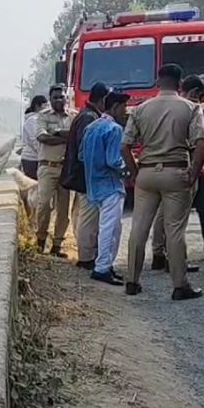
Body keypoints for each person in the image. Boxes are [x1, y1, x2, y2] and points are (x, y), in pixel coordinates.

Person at [122, 64, 204, 300]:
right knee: (174, 230)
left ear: (158, 82)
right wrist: (192, 173)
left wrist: (134, 172)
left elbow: (125, 145)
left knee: (139, 227)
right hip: (176, 172)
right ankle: (180, 285)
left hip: (147, 174)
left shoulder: (141, 109)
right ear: (180, 84)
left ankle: (132, 280)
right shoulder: (191, 108)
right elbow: (201, 144)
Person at [151, 75, 204, 270]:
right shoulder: (191, 109)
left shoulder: (162, 107)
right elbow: (199, 142)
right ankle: (178, 258)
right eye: (200, 96)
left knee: (165, 213)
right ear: (194, 93)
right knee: (181, 216)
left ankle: (159, 253)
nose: (200, 101)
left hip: (168, 167)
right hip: (188, 169)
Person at [81, 91, 131, 285]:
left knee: (107, 226)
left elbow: (81, 156)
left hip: (94, 183)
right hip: (110, 185)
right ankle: (102, 267)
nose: (125, 111)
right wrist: (129, 168)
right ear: (116, 107)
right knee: (111, 228)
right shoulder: (114, 129)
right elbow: (114, 161)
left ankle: (105, 265)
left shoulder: (91, 127)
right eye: (124, 107)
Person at [62, 82, 109, 270]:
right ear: (103, 99)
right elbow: (86, 149)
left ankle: (87, 253)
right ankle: (86, 257)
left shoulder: (86, 115)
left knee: (85, 215)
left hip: (84, 174)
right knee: (89, 217)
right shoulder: (89, 118)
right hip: (87, 175)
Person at [35, 84, 77, 257]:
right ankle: (40, 240)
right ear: (50, 99)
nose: (59, 100)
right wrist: (65, 137)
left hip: (66, 169)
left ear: (66, 98)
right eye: (55, 97)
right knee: (44, 204)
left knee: (64, 209)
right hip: (48, 167)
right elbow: (42, 137)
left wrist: (57, 133)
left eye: (62, 97)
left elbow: (77, 137)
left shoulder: (74, 116)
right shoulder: (43, 116)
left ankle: (57, 245)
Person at [19, 96, 48, 180]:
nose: (47, 108)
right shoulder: (33, 120)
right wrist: (44, 155)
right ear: (37, 106)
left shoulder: (39, 119)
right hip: (32, 159)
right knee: (35, 188)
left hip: (37, 158)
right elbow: (35, 141)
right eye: (45, 106)